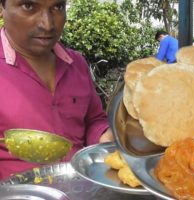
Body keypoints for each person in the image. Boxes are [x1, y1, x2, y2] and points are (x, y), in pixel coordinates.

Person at [0, 0, 114, 180]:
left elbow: (93, 119)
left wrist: (104, 136)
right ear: (2, 7)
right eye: (29, 6)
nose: (47, 24)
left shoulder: (77, 64)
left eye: (57, 7)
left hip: (82, 187)